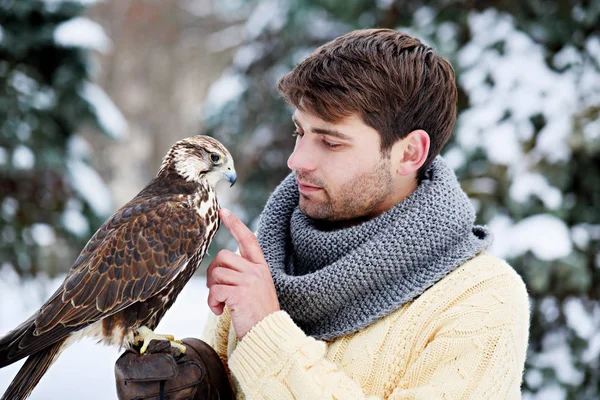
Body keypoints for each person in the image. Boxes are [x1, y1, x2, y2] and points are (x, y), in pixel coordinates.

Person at [122, 28, 531, 399]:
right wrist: (201, 384)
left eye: (331, 142)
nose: (296, 159)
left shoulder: (481, 299)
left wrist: (267, 334)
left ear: (410, 153)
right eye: (299, 132)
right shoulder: (271, 260)